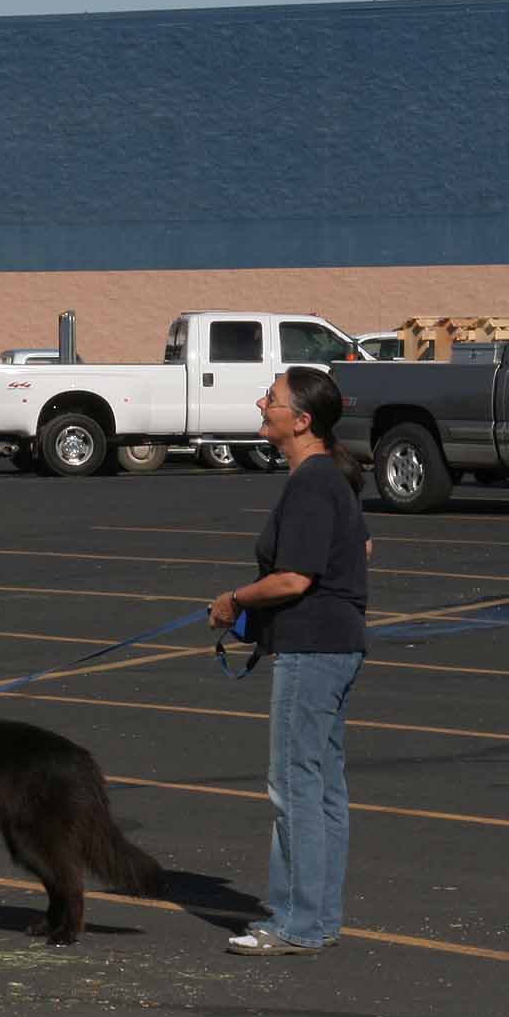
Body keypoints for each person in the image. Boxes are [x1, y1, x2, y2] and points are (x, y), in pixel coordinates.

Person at [208, 366, 371, 955]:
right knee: (323, 786)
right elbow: (362, 544)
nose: (261, 404)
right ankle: (317, 919)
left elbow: (294, 577)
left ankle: (295, 923)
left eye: (271, 399)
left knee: (294, 786)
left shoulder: (312, 481)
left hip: (312, 648)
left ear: (301, 421)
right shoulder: (331, 479)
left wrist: (233, 602)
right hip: (337, 643)